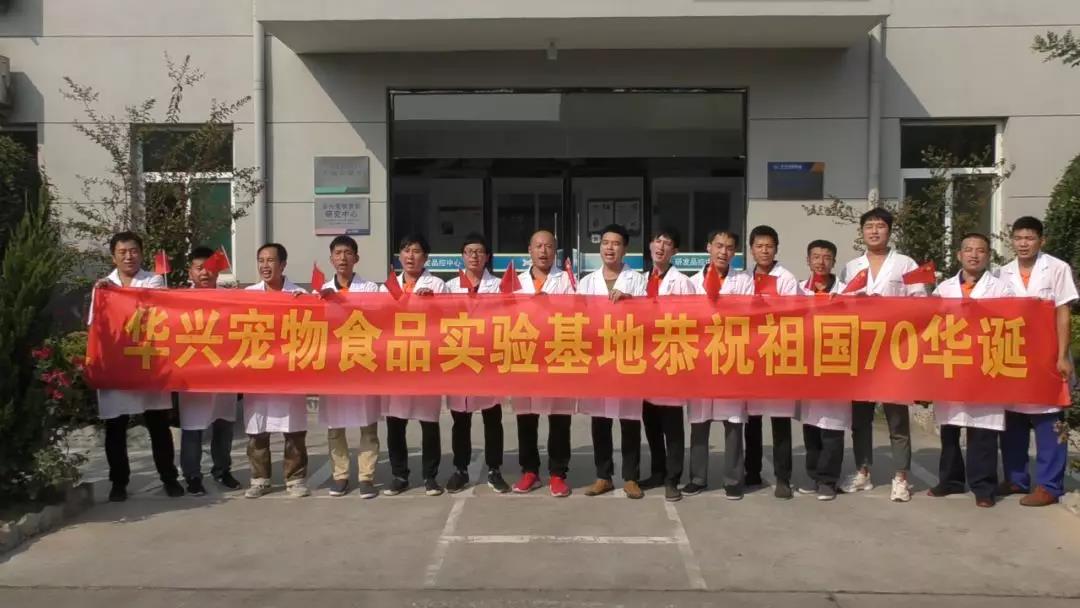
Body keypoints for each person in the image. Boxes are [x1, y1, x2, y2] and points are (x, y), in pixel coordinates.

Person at [841, 207, 926, 503]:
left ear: (889, 231)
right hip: (862, 352)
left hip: (895, 352)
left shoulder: (906, 263)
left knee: (897, 418)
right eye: (869, 226)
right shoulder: (852, 267)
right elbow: (841, 306)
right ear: (862, 232)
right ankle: (862, 471)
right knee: (860, 418)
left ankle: (901, 477)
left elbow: (921, 303)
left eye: (880, 226)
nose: (874, 231)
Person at [91, 231, 183, 502]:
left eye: (133, 251)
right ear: (113, 257)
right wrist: (105, 293)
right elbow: (95, 326)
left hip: (148, 363)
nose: (128, 256)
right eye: (122, 252)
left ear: (141, 254)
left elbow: (158, 308)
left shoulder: (153, 281)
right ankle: (118, 482)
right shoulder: (103, 287)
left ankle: (169, 478)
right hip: (117, 364)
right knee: (115, 427)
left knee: (158, 425)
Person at [997, 216, 1078, 507]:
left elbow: (1063, 312)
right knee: (1013, 418)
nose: (1023, 244)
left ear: (1041, 241)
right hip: (1013, 356)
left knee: (1049, 417)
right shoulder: (1002, 272)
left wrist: (1062, 355)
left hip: (1047, 356)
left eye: (1029, 238)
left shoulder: (1057, 268)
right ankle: (1016, 479)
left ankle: (1049, 485)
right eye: (1018, 238)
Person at [929, 233, 1013, 508]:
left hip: (985, 366)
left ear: (988, 256)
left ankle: (984, 487)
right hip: (952, 364)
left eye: (980, 250)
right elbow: (931, 324)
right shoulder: (943, 289)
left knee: (983, 429)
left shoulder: (1001, 289)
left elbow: (1010, 323)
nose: (974, 255)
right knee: (950, 428)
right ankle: (950, 480)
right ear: (959, 255)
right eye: (968, 250)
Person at [577, 224, 649, 499]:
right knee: (600, 420)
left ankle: (631, 477)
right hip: (599, 358)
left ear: (625, 249)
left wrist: (630, 301)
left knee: (629, 419)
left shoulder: (637, 280)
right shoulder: (586, 282)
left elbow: (650, 314)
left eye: (616, 243)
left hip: (627, 355)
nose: (609, 248)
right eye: (605, 243)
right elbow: (576, 318)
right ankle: (603, 476)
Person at [684, 230, 754, 500]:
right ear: (708, 247)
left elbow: (749, 315)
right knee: (699, 421)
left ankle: (733, 480)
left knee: (734, 422)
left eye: (730, 248)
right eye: (719, 246)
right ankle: (697, 478)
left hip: (731, 357)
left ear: (735, 252)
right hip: (701, 358)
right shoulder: (692, 283)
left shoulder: (743, 281)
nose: (724, 252)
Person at [381, 233, 449, 497]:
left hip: (425, 362)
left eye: (416, 251)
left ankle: (430, 477)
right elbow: (377, 320)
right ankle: (399, 475)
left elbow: (448, 320)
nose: (411, 256)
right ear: (399, 256)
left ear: (426, 257)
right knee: (395, 422)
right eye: (406, 250)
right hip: (396, 361)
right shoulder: (387, 287)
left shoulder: (437, 285)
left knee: (428, 422)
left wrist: (433, 303)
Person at [511, 230, 576, 497]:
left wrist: (550, 306)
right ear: (529, 250)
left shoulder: (567, 280)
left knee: (559, 417)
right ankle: (530, 471)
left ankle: (558, 474)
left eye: (548, 246)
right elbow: (504, 313)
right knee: (526, 416)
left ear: (555, 250)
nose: (543, 251)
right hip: (525, 355)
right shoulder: (515, 281)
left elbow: (577, 312)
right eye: (538, 246)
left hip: (556, 354)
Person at [243, 242, 311, 499]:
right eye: (261, 260)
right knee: (257, 430)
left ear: (283, 265)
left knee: (293, 430)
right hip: (258, 373)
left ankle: (295, 479)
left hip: (289, 372)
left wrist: (305, 305)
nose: (265, 265)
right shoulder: (248, 295)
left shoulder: (299, 294)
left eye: (270, 260)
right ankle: (260, 479)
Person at [316, 236, 381, 499]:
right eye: (338, 253)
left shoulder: (371, 289)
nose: (342, 258)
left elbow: (382, 317)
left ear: (356, 258)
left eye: (347, 253)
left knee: (368, 425)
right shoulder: (320, 291)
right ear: (331, 258)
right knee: (335, 426)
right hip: (334, 366)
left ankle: (366, 477)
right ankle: (340, 475)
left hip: (363, 363)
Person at [444, 233, 509, 494]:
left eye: (479, 251)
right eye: (469, 251)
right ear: (462, 256)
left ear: (487, 257)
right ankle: (460, 469)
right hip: (460, 358)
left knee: (493, 418)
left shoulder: (500, 286)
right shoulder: (449, 288)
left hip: (488, 360)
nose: (474, 256)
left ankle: (494, 469)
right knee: (460, 419)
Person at [177, 246, 240, 496]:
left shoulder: (232, 298)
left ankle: (222, 470)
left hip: (224, 374)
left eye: (210, 268)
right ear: (190, 272)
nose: (205, 273)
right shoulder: (177, 300)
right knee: (193, 428)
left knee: (223, 425)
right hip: (193, 375)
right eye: (199, 268)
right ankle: (192, 475)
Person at [640, 228, 696, 502]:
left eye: (667, 243)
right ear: (651, 245)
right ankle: (657, 471)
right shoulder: (640, 280)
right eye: (657, 241)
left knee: (672, 425)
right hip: (646, 360)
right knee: (650, 421)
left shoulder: (682, 282)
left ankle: (673, 478)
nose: (661, 247)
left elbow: (692, 320)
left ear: (675, 252)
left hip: (671, 357)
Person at [745, 225, 801, 499]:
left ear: (776, 248)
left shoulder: (787, 278)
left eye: (769, 246)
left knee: (780, 420)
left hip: (778, 354)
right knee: (751, 419)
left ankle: (783, 478)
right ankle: (752, 472)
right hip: (751, 355)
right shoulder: (744, 277)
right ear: (751, 249)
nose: (764, 251)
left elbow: (795, 313)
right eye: (759, 246)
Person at [795, 239, 849, 501]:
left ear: (834, 262)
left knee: (833, 427)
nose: (821, 262)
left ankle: (828, 480)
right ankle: (815, 476)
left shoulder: (846, 292)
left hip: (835, 364)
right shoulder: (797, 290)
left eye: (827, 257)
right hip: (807, 366)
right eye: (815, 256)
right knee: (811, 426)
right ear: (808, 260)